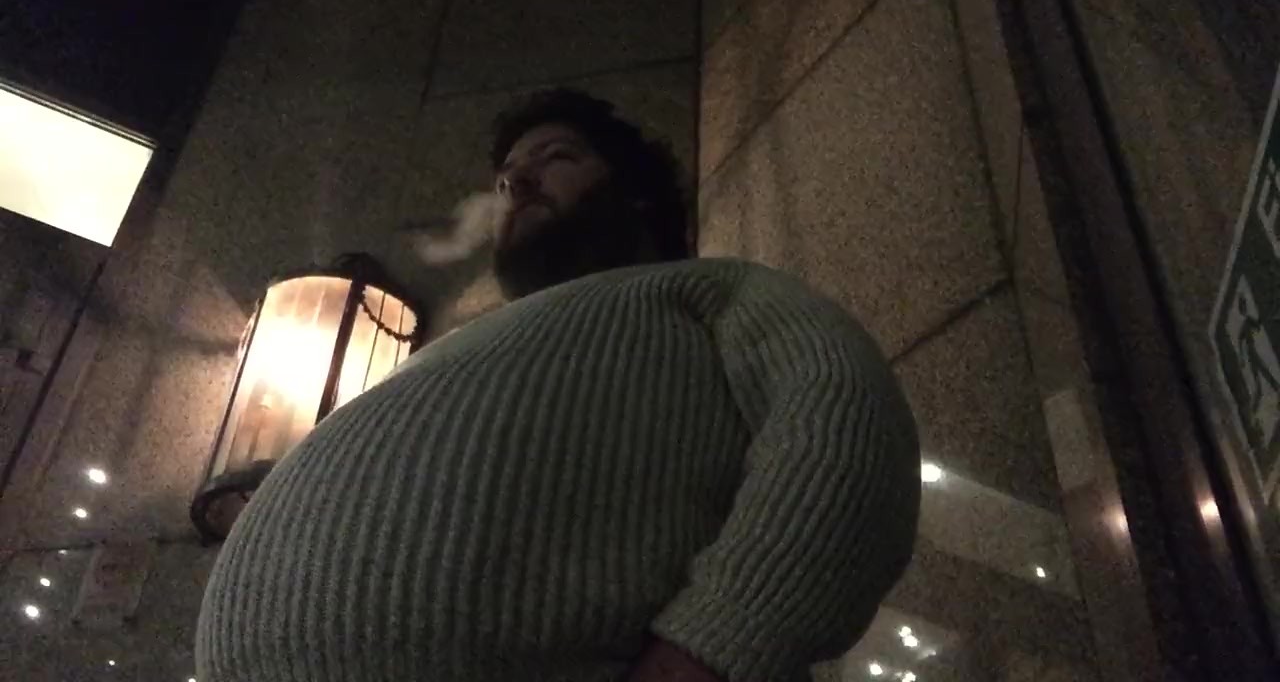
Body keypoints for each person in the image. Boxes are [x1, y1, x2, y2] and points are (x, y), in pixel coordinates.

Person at [196, 88, 921, 682]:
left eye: (558, 158)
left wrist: (720, 641)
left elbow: (840, 416)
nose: (516, 184)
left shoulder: (710, 288)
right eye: (505, 177)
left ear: (637, 196)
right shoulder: (454, 352)